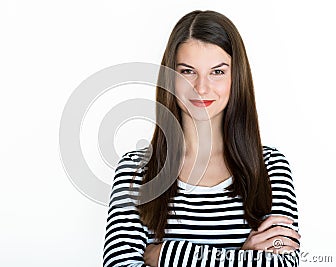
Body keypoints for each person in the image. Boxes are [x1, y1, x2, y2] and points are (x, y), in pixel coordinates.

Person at [103, 10, 300, 267]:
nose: (202, 87)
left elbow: (283, 264)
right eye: (188, 71)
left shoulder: (270, 166)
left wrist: (164, 255)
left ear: (236, 77)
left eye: (217, 72)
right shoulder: (136, 171)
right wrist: (244, 256)